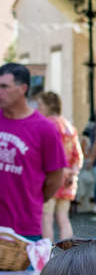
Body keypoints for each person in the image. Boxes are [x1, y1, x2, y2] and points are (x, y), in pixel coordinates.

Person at [0, 62, 65, 240]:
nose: (0, 91)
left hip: (24, 229)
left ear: (23, 88)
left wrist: (31, 200)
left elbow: (55, 178)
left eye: (4, 86)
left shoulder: (45, 129)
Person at [36, 91, 82, 241]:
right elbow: (78, 155)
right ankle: (66, 256)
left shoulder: (47, 125)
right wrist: (73, 173)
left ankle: (46, 254)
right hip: (68, 179)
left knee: (46, 218)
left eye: (40, 104)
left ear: (49, 106)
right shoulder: (69, 125)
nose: (38, 108)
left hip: (51, 177)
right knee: (63, 218)